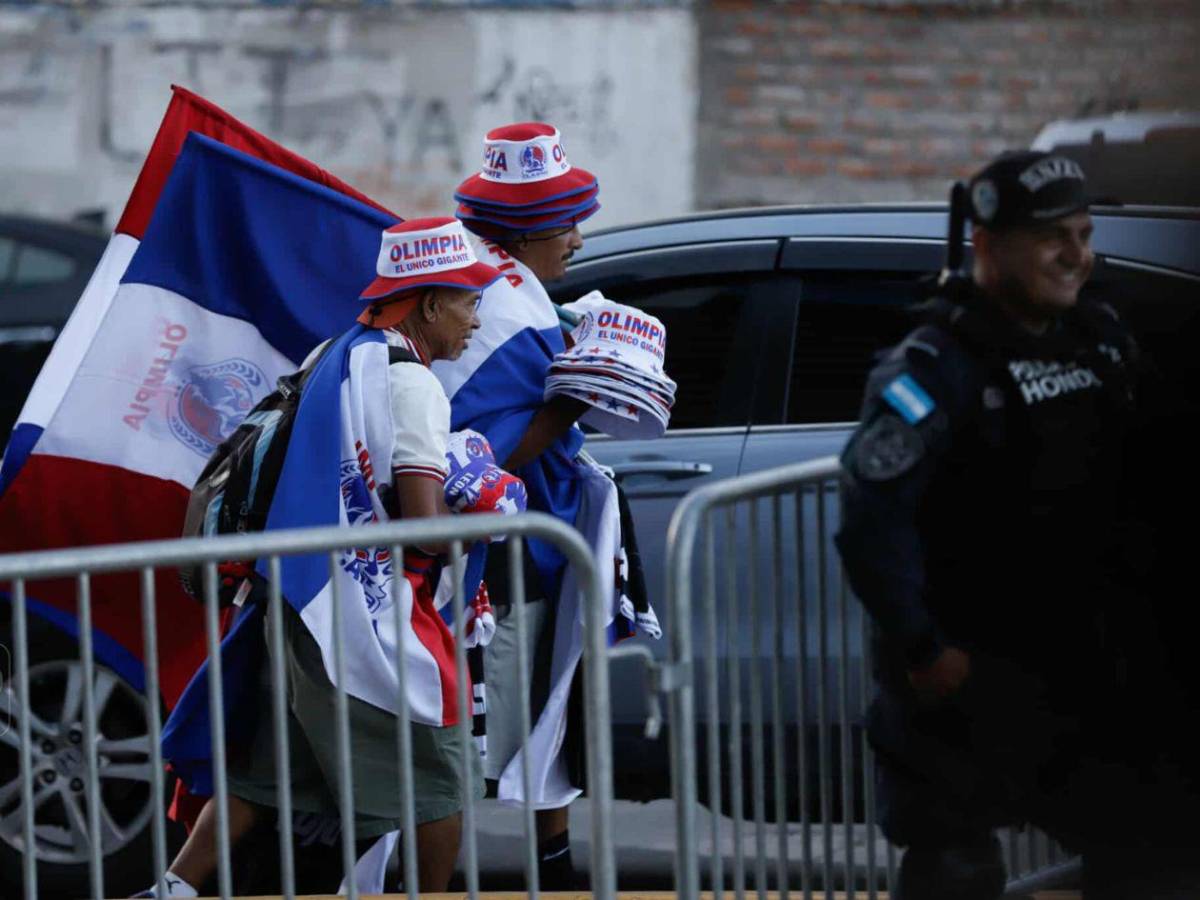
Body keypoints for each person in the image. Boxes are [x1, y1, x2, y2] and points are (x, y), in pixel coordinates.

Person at [835, 150, 1197, 899]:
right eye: (1053, 238)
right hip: (970, 676)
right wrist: (922, 647)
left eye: (1085, 234)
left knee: (1155, 853)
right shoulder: (933, 366)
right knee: (955, 871)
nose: (1078, 256)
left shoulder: (1097, 338)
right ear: (989, 247)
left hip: (1088, 667)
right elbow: (873, 519)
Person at [139, 217, 508, 897]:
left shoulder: (333, 353)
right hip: (370, 620)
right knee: (440, 778)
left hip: (296, 600)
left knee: (266, 771)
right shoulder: (416, 386)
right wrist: (486, 516)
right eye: (468, 302)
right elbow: (423, 531)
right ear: (429, 303)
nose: (475, 322)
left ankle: (174, 889)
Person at [432, 121, 659, 890]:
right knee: (483, 723)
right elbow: (481, 453)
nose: (578, 241)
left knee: (548, 706)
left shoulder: (494, 286)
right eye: (568, 223)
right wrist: (571, 402)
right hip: (499, 559)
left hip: (529, 544)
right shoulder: (498, 307)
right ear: (527, 228)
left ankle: (551, 865)